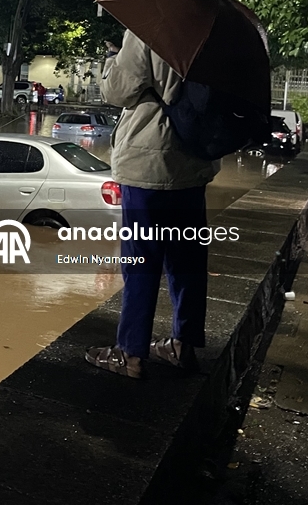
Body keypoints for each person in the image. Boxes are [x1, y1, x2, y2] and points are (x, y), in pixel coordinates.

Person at [84, 32, 219, 379]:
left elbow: (116, 90)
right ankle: (183, 345)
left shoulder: (150, 27)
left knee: (140, 261)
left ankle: (130, 353)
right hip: (194, 160)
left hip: (149, 163)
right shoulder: (210, 30)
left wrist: (114, 55)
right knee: (187, 260)